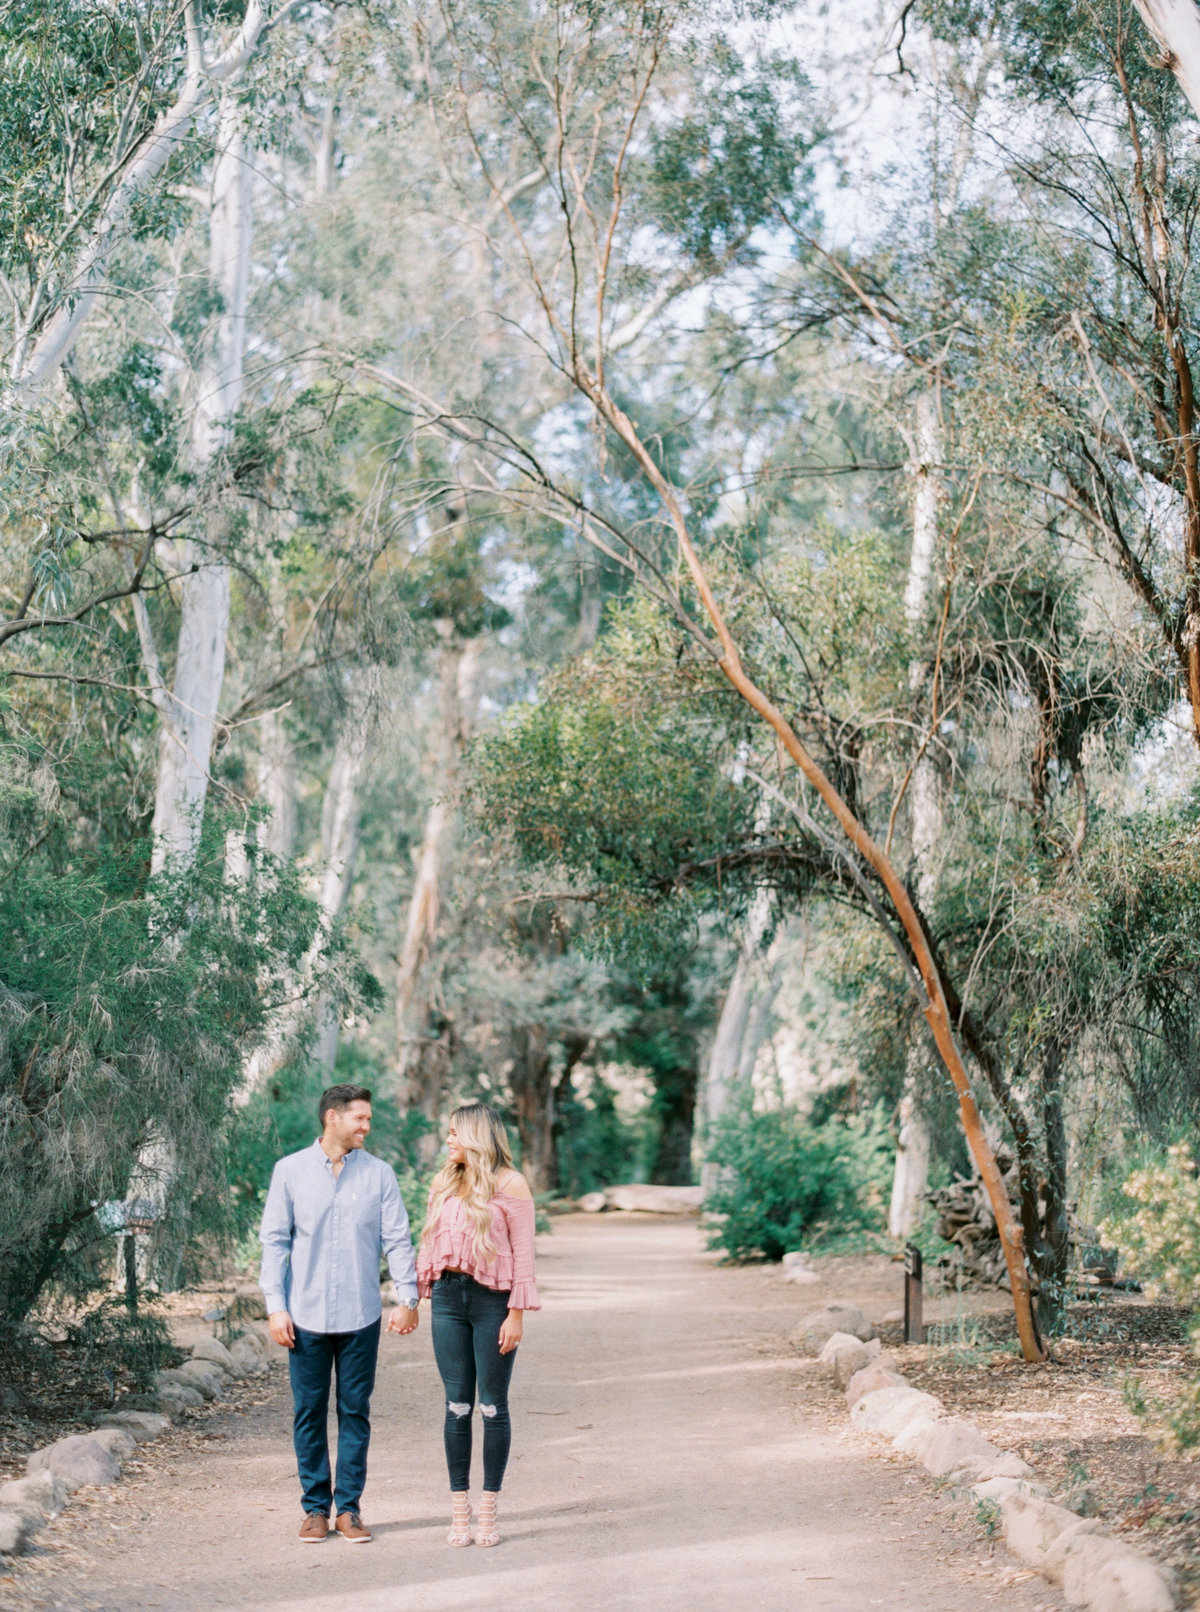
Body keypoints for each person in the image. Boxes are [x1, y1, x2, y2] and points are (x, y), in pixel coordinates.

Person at [260, 1082, 420, 1544]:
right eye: (360, 1118)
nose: (367, 1126)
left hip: (360, 1315)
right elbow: (275, 1243)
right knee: (308, 1412)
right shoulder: (289, 1172)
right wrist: (276, 1307)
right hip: (304, 1316)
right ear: (333, 1117)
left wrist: (407, 1299)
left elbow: (397, 1240)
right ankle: (314, 1508)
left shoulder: (379, 1174)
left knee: (355, 1411)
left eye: (368, 1118)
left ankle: (348, 1509)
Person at [417, 1101, 541, 1549]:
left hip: (493, 1303)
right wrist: (414, 1299)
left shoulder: (512, 1184)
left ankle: (488, 1508)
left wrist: (516, 1313)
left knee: (492, 1406)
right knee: (456, 1407)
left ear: (475, 1136)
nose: (447, 1140)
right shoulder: (444, 1181)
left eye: (454, 1133)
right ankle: (458, 1509)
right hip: (448, 1300)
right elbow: (429, 1242)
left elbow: (524, 1254)